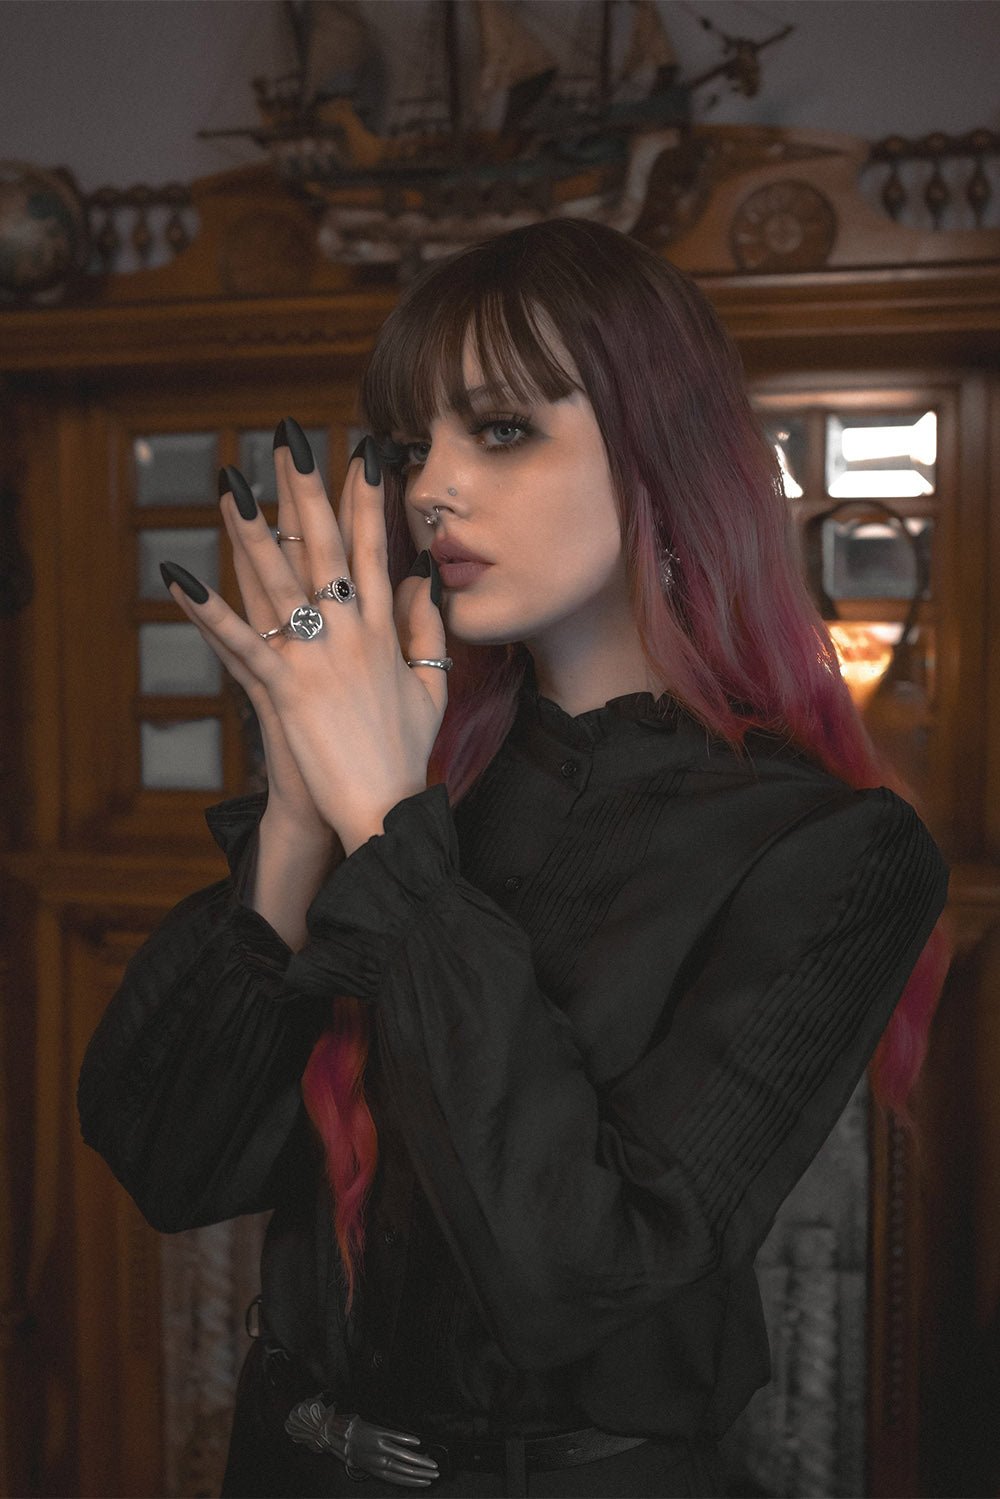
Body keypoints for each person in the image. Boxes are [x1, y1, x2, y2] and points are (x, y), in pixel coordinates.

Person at [78, 218, 950, 1499]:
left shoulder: (832, 849)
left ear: (661, 451)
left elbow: (574, 1271)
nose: (431, 487)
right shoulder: (422, 774)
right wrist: (302, 814)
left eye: (499, 429)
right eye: (408, 446)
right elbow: (172, 1162)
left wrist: (390, 831)